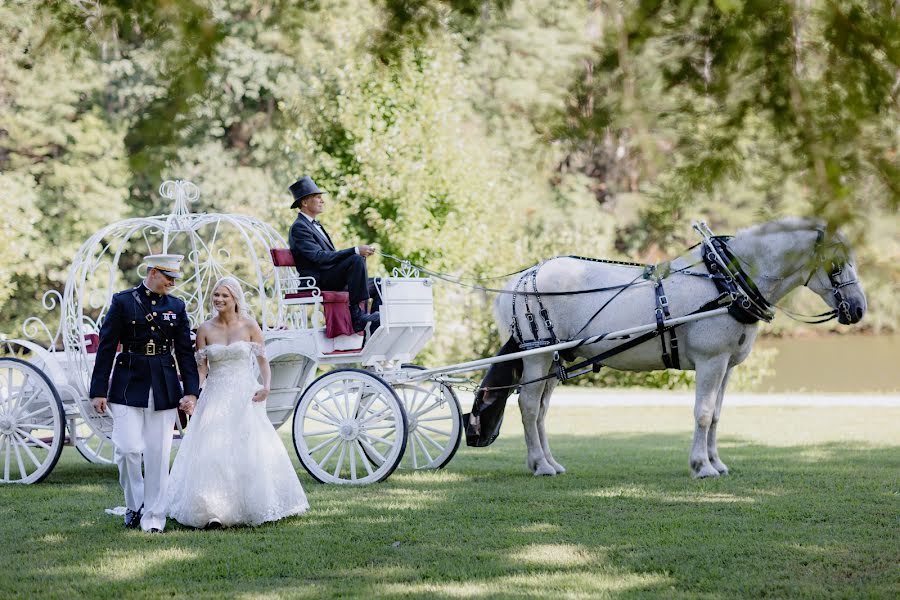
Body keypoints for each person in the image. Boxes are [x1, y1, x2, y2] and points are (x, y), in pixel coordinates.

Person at [166, 276, 309, 528]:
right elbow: (201, 370)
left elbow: (263, 363)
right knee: (212, 452)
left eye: (224, 295)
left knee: (249, 450)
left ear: (235, 299)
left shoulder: (250, 326)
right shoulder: (205, 329)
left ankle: (253, 504)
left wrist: (266, 387)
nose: (219, 300)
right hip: (216, 395)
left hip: (244, 395)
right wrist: (193, 395)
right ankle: (212, 510)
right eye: (216, 295)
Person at [89, 254, 200, 533]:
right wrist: (98, 390)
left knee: (158, 455)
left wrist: (192, 392)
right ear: (152, 272)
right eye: (168, 277)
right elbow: (106, 347)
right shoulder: (123, 301)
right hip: (128, 383)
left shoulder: (176, 305)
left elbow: (185, 353)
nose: (173, 283)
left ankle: (154, 517)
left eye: (175, 278)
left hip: (163, 385)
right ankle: (135, 505)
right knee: (126, 448)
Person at [288, 176, 380, 332]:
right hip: (317, 281)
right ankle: (357, 317)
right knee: (356, 259)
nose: (322, 201)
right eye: (317, 197)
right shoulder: (299, 227)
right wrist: (355, 250)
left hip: (330, 276)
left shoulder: (316, 225)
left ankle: (375, 326)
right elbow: (318, 257)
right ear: (304, 203)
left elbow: (329, 255)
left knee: (379, 284)